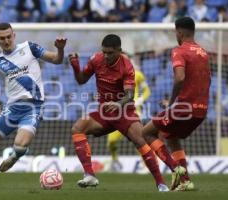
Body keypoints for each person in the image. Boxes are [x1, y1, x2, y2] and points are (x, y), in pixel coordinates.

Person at [0, 22, 67, 188]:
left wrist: (60, 49)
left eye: (9, 37)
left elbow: (57, 60)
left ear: (14, 35)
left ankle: (14, 157)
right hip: (12, 109)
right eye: (2, 38)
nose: (6, 41)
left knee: (21, 145)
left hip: (32, 107)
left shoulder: (30, 48)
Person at [68, 34, 169, 192]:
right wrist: (75, 65)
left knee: (140, 141)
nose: (106, 56)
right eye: (104, 52)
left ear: (119, 51)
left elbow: (129, 96)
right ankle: (89, 175)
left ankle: (161, 183)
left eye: (110, 53)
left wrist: (117, 104)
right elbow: (81, 80)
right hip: (105, 113)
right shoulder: (96, 59)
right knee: (77, 128)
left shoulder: (127, 66)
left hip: (124, 113)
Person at [142, 17, 211, 191]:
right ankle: (185, 181)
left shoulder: (179, 50)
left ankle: (176, 168)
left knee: (147, 132)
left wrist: (172, 103)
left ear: (179, 32)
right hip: (201, 110)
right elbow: (206, 80)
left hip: (184, 108)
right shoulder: (203, 52)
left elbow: (179, 78)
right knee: (171, 137)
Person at [107, 57, 151, 171]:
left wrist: (140, 99)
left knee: (139, 140)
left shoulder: (138, 74)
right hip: (118, 113)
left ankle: (146, 165)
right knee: (111, 141)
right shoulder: (113, 74)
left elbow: (147, 90)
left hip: (133, 111)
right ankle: (115, 161)